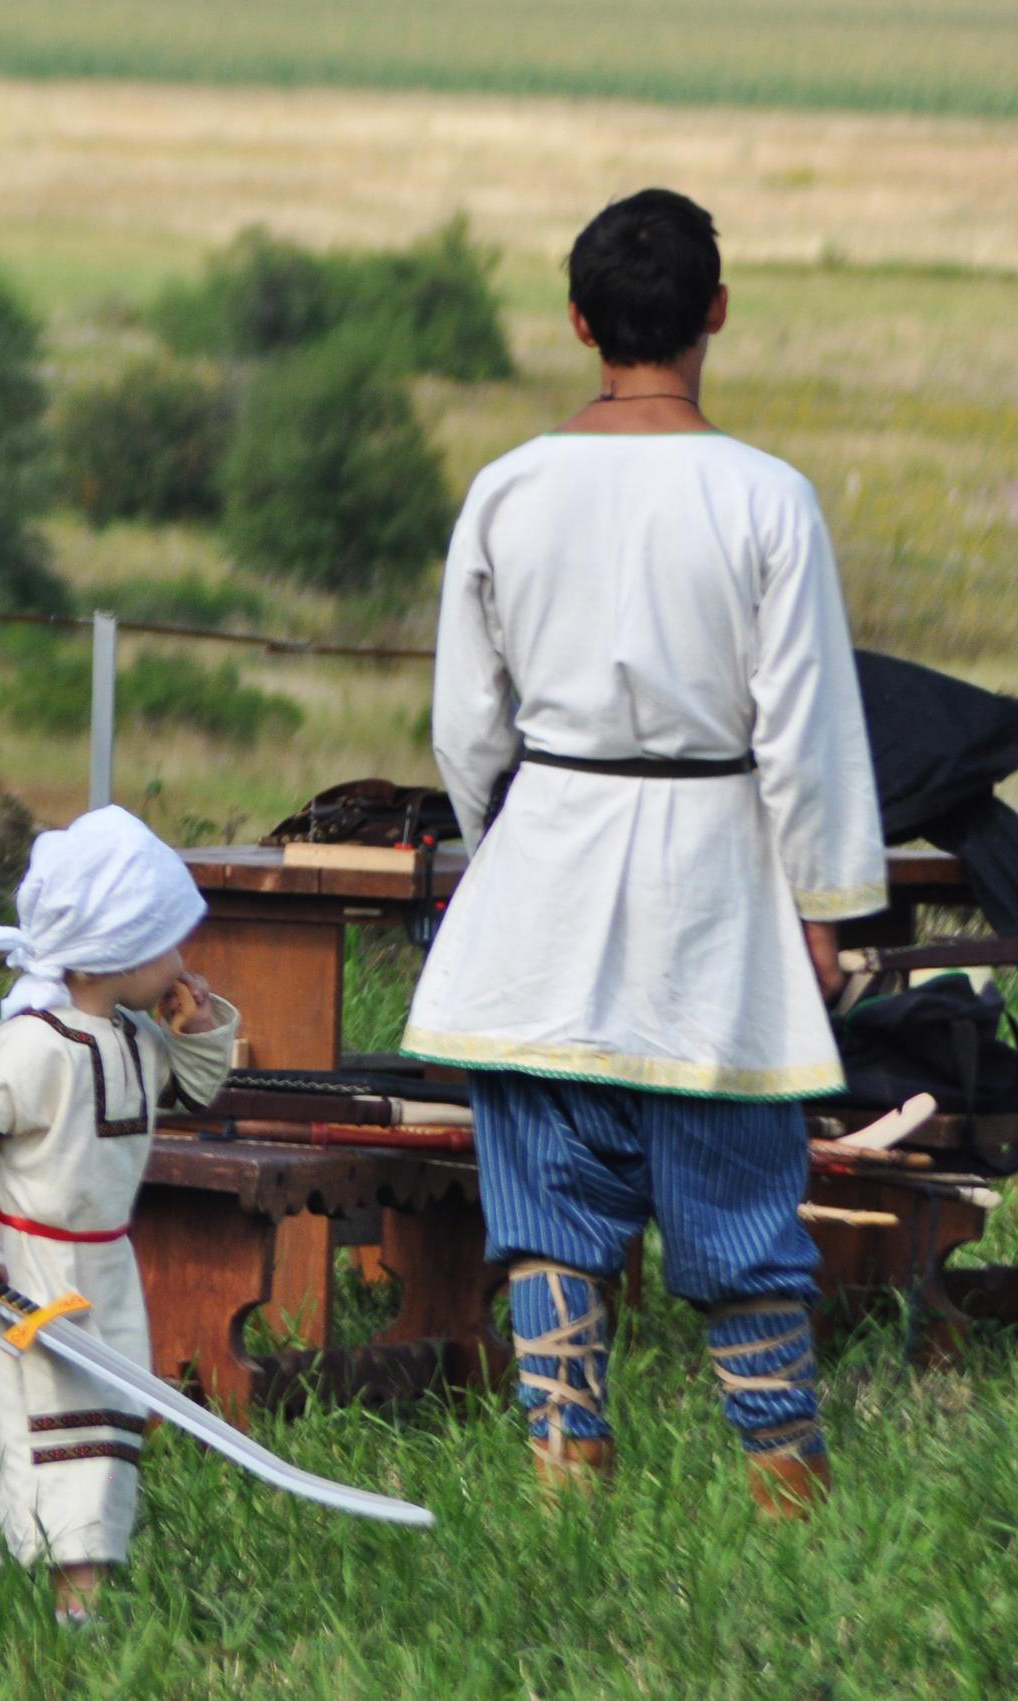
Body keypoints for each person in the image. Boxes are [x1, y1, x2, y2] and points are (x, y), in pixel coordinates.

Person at [401, 189, 885, 1517]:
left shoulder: (506, 489)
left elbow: (464, 728)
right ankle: (785, 1490)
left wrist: (507, 857)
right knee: (737, 1199)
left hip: (546, 871)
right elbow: (808, 729)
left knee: (548, 1203)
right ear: (715, 313)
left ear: (578, 323)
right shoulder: (768, 499)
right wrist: (827, 908)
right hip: (715, 886)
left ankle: (568, 1476)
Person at [0, 806, 238, 1624]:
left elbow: (193, 1090)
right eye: (167, 942)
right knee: (40, 1432)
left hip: (105, 1275)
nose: (181, 960)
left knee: (96, 1424)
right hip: (28, 1280)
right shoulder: (32, 1047)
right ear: (114, 950)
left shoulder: (134, 1038)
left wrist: (197, 1031)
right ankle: (70, 1609)